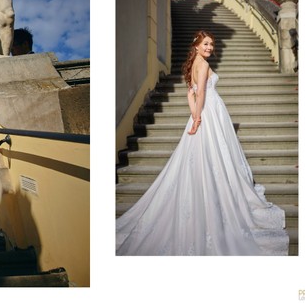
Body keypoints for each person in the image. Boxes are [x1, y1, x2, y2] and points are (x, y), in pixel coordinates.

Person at [116, 30, 289, 255]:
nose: (209, 48)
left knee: (207, 155)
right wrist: (198, 119)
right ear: (196, 45)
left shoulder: (193, 65)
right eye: (206, 44)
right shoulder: (204, 66)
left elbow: (190, 94)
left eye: (211, 45)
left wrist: (194, 115)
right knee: (215, 153)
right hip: (210, 112)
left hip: (203, 113)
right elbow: (202, 96)